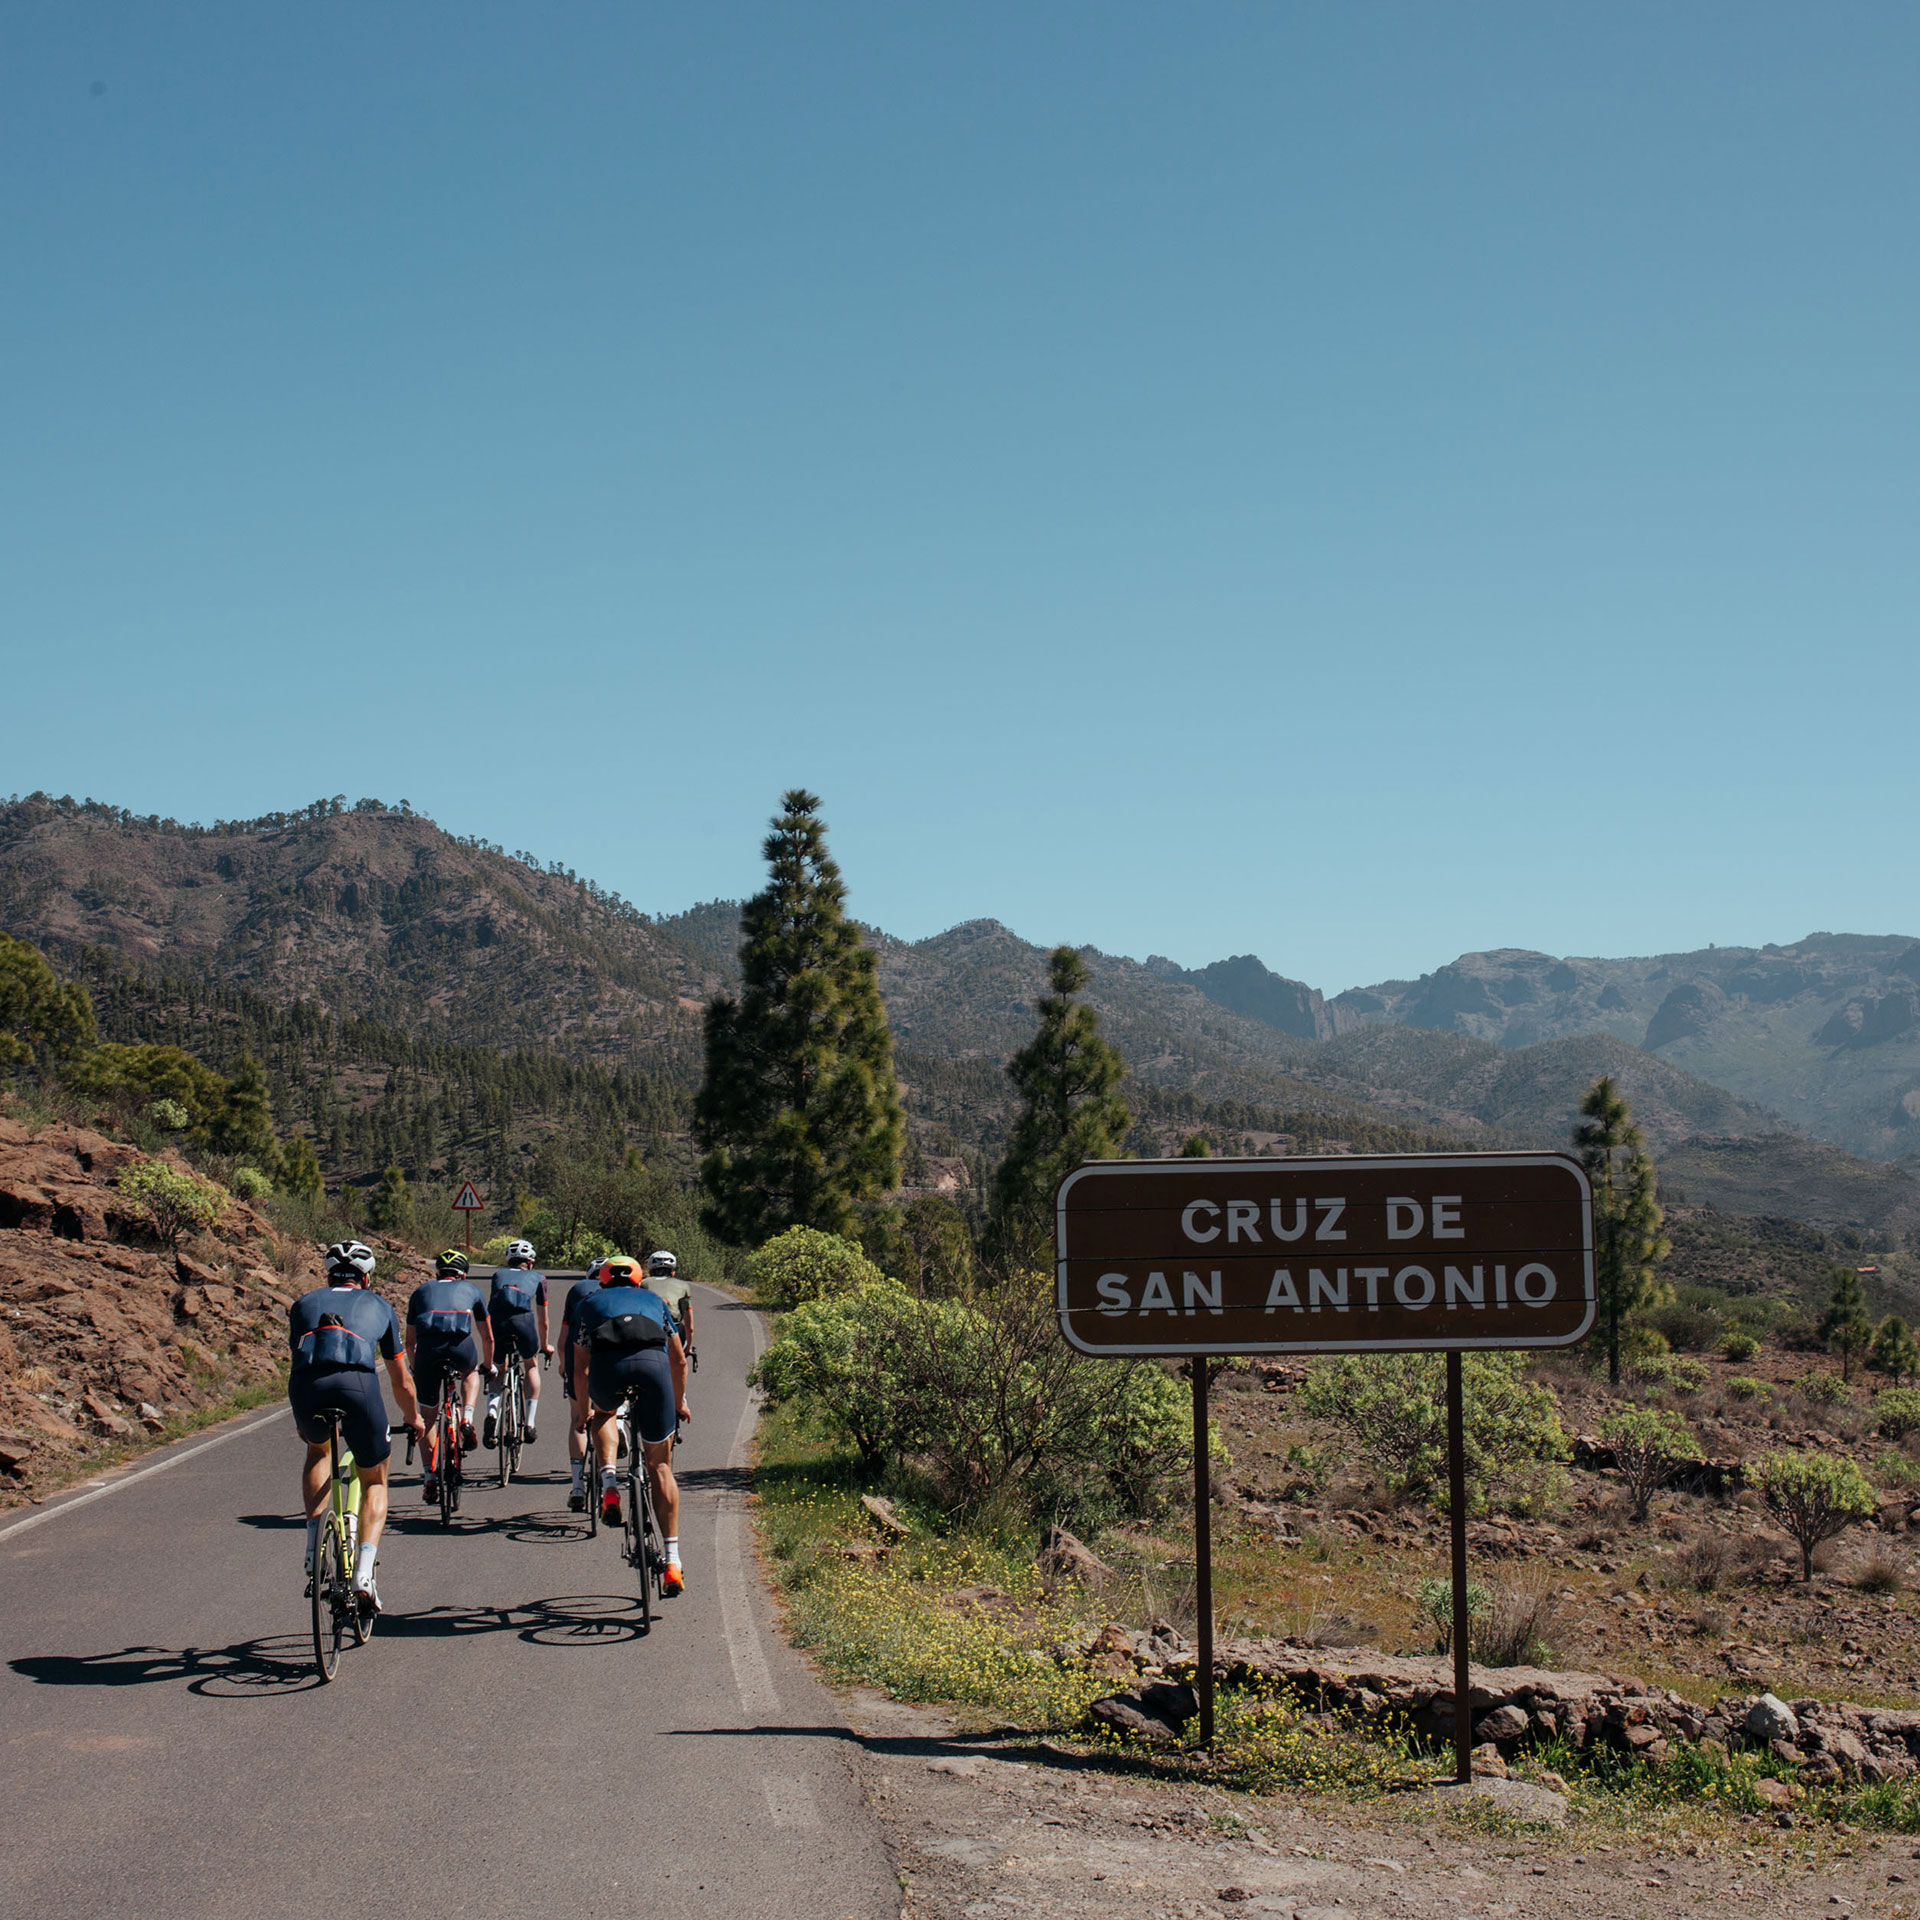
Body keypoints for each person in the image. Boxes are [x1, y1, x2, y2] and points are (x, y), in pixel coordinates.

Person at [287, 1241, 422, 1616]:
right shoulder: (379, 1305)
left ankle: (314, 1546)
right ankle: (364, 1574)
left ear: (328, 1273)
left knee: (318, 1449)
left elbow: (299, 1359)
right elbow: (402, 1381)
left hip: (307, 1388)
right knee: (376, 1479)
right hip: (357, 1387)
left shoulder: (302, 1304)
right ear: (366, 1276)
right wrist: (414, 1417)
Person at [571, 1254, 691, 1594]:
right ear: (639, 1279)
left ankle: (609, 1482)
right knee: (661, 1466)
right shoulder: (654, 1300)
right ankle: (672, 1562)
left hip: (608, 1372)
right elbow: (679, 1360)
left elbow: (580, 1367)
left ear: (604, 1279)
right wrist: (679, 1401)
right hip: (653, 1372)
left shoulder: (589, 1303)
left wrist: (583, 1411)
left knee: (606, 1415)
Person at [405, 1249, 494, 1505]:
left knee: (427, 1418)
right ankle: (466, 1417)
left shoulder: (421, 1291)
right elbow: (487, 1336)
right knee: (471, 1372)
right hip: (460, 1348)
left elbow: (410, 1342)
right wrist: (488, 1365)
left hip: (427, 1353)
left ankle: (429, 1478)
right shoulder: (472, 1289)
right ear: (462, 1274)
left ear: (438, 1273)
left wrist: (415, 1369)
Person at [482, 1239, 552, 1449]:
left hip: (497, 1323)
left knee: (500, 1369)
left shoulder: (498, 1275)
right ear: (530, 1262)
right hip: (523, 1322)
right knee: (530, 1365)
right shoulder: (539, 1278)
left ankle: (492, 1412)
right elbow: (543, 1320)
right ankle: (529, 1423)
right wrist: (545, 1346)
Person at [558, 1254, 607, 1513]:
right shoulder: (623, 1292)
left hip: (578, 1359)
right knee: (606, 1414)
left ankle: (577, 1485)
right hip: (610, 1359)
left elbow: (564, 1334)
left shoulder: (577, 1290)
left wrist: (562, 1365)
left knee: (578, 1421)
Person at [642, 1250, 694, 1366]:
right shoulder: (683, 1286)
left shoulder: (642, 1284)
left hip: (646, 1328)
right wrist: (688, 1348)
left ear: (650, 1271)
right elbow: (690, 1327)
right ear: (673, 1272)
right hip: (673, 1329)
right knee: (680, 1364)